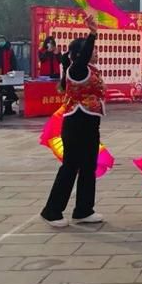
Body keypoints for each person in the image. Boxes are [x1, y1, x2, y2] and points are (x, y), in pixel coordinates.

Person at [40, 16, 104, 227]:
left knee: (88, 166)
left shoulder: (91, 70)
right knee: (70, 166)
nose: (96, 52)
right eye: (92, 49)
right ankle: (51, 211)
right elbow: (83, 58)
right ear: (80, 54)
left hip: (90, 124)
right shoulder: (76, 70)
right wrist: (92, 34)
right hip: (76, 124)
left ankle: (83, 210)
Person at [0, 35, 19, 115]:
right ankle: (6, 108)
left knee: (11, 92)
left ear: (5, 41)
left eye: (3, 40)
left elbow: (13, 62)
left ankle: (8, 109)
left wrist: (13, 72)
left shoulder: (9, 50)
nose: (1, 42)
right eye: (0, 40)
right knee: (3, 92)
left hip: (7, 75)